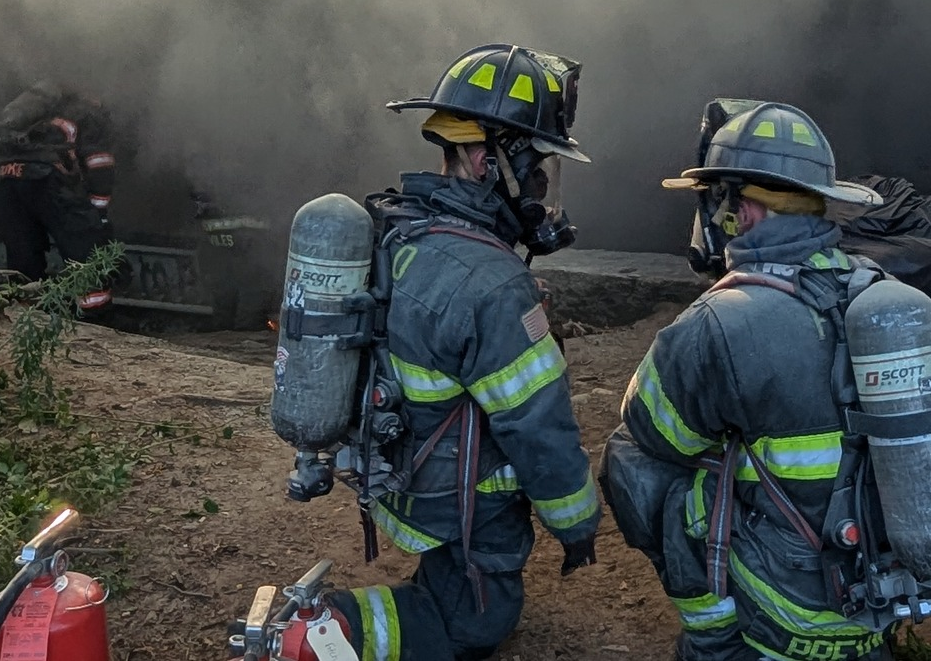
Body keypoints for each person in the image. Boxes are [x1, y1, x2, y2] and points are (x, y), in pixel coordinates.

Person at [318, 44, 604, 661]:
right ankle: (321, 629)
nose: (539, 189)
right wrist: (578, 525)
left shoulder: (403, 229)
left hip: (400, 472)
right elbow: (539, 428)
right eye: (534, 169)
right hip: (459, 504)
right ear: (484, 158)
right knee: (477, 623)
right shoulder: (492, 281)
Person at [613, 101, 895, 661]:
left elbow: (650, 435)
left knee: (632, 460)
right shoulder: (881, 296)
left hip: (784, 614)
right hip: (878, 599)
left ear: (745, 212)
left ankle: (716, 637)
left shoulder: (719, 323)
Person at [0, 81, 119, 317]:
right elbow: (99, 163)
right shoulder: (89, 113)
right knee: (86, 251)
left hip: (4, 181)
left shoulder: (30, 113)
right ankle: (98, 321)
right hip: (46, 181)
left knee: (23, 256)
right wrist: (99, 215)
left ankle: (25, 317)